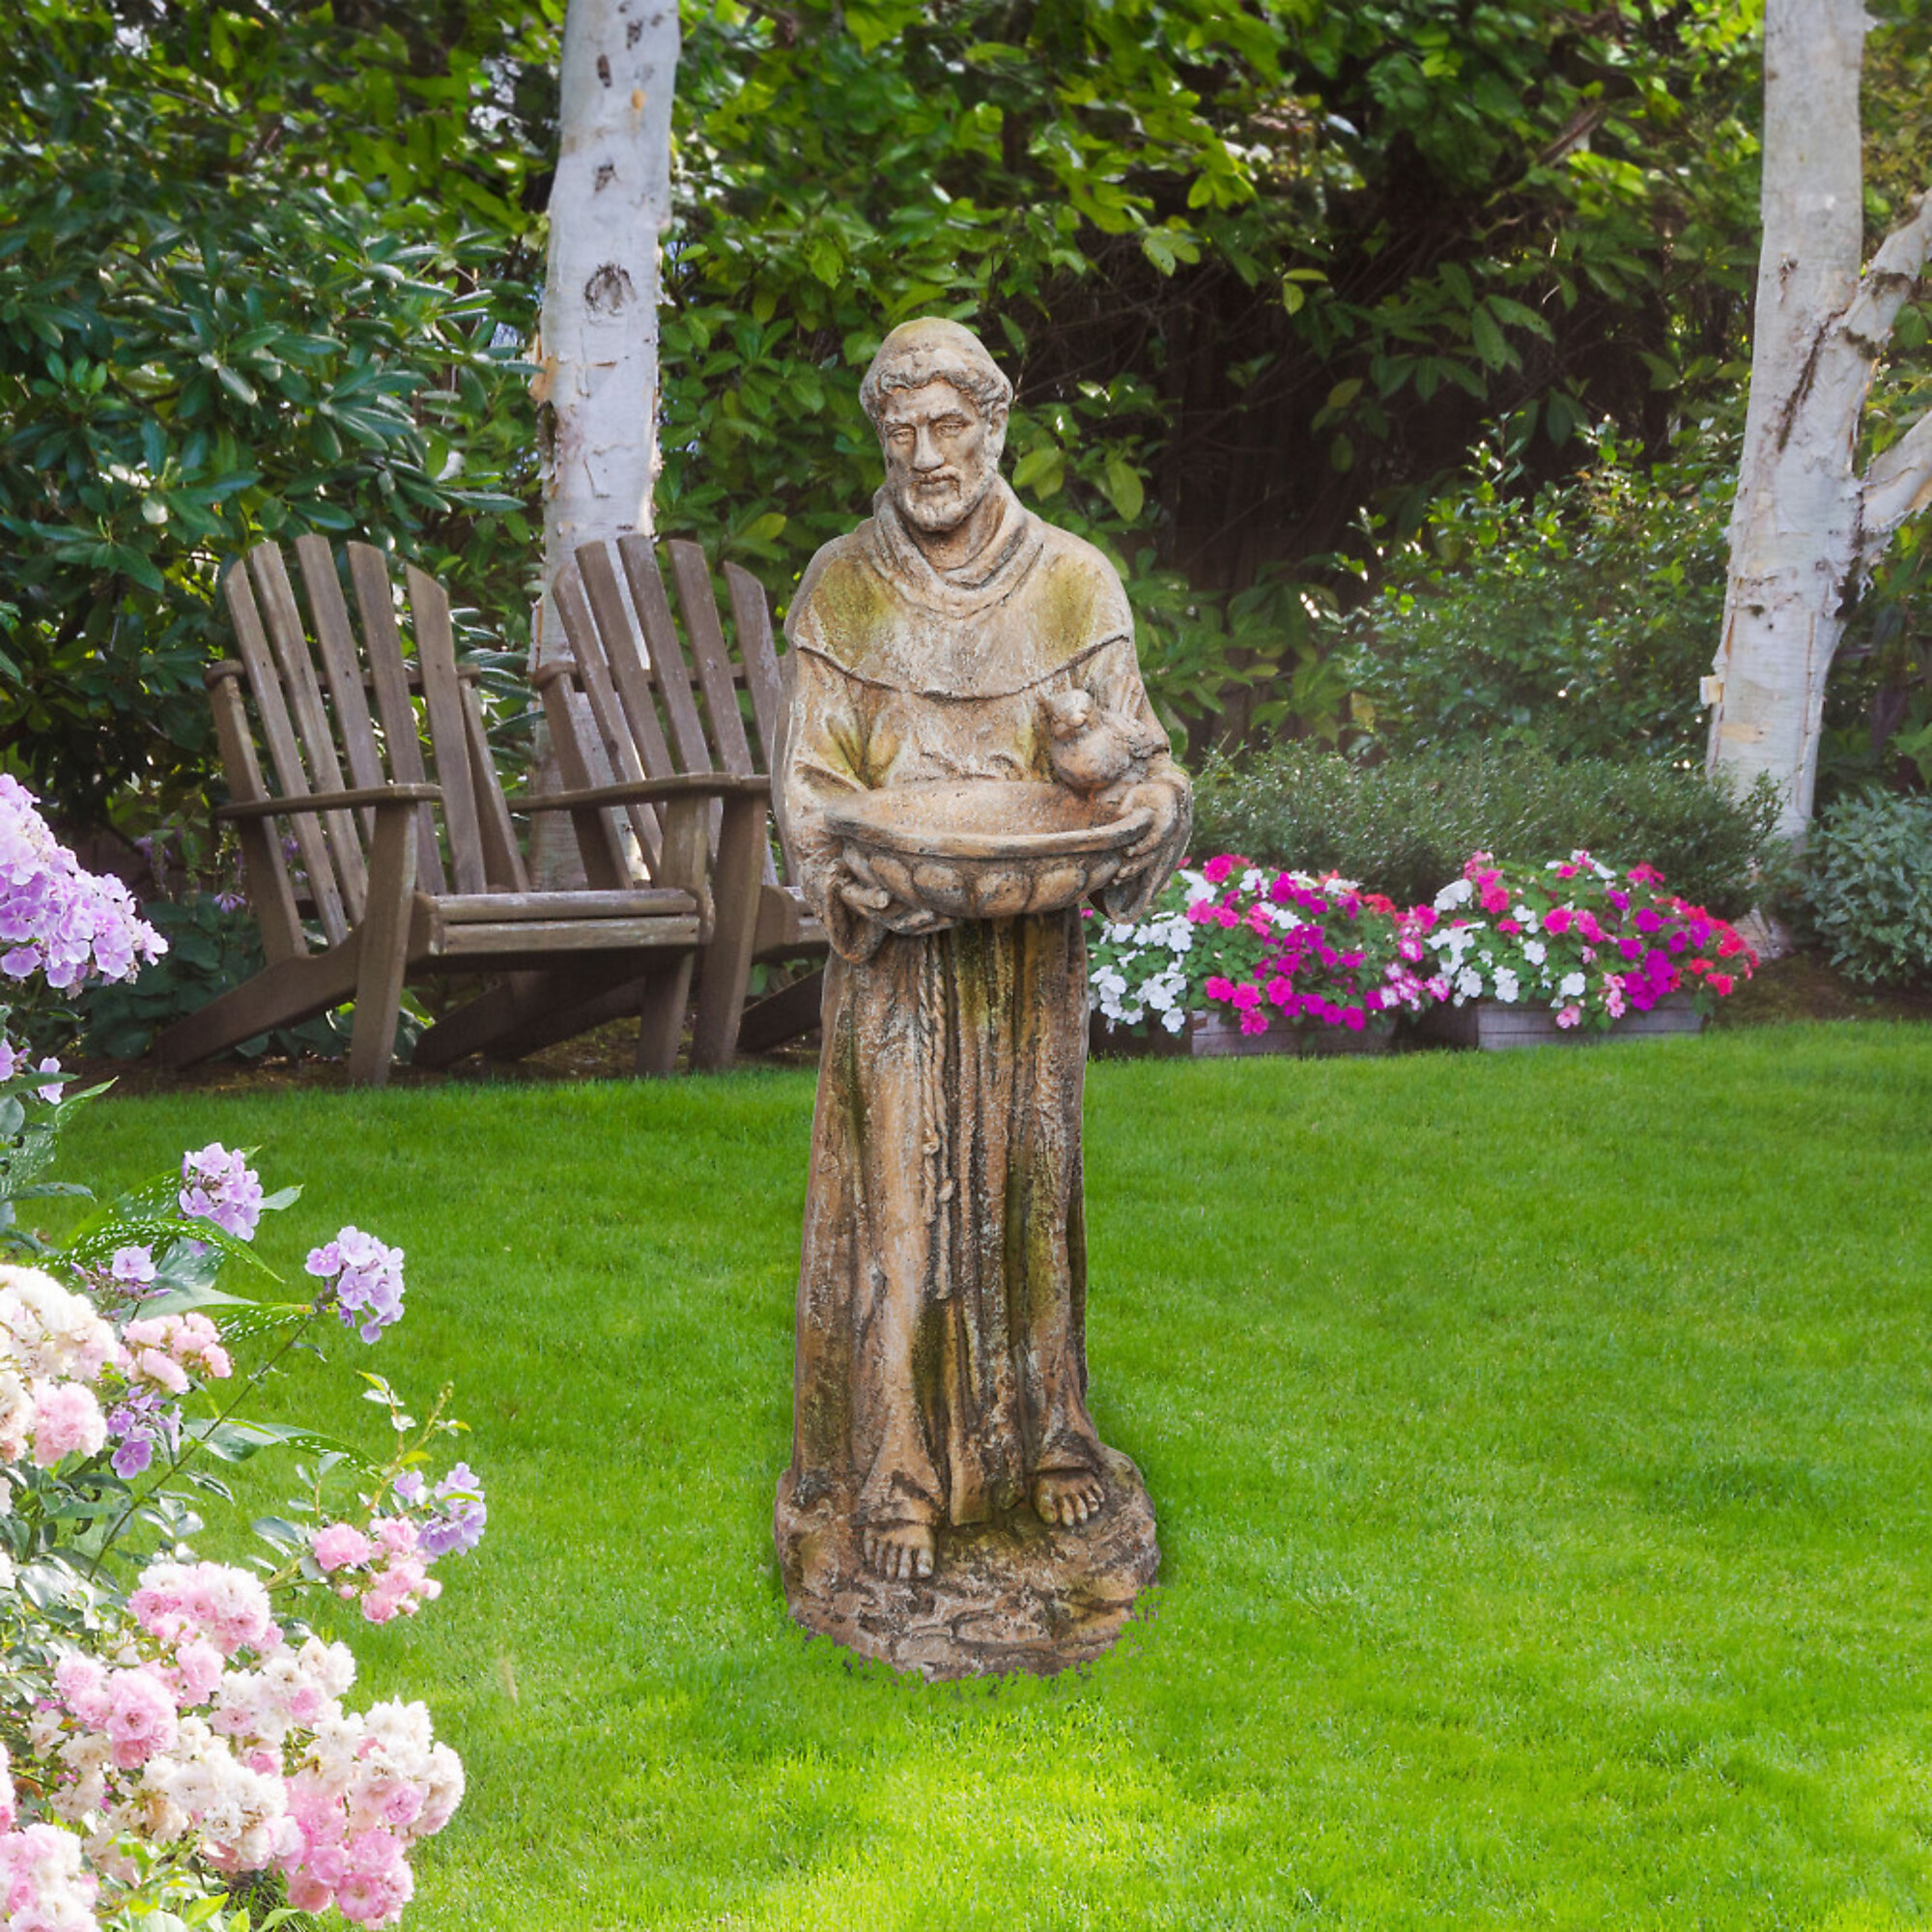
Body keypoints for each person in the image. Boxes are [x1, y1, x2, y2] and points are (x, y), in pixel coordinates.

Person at [774, 318, 1190, 1583]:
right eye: (899, 432)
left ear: (995, 427)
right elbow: (808, 788)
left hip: (1026, 963)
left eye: (948, 426)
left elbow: (1148, 773)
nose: (925, 454)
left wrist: (1106, 768)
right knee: (899, 1199)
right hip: (897, 962)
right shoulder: (841, 583)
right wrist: (868, 867)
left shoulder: (1074, 581)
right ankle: (891, 1472)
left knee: (1029, 1191)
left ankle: (1050, 1446)